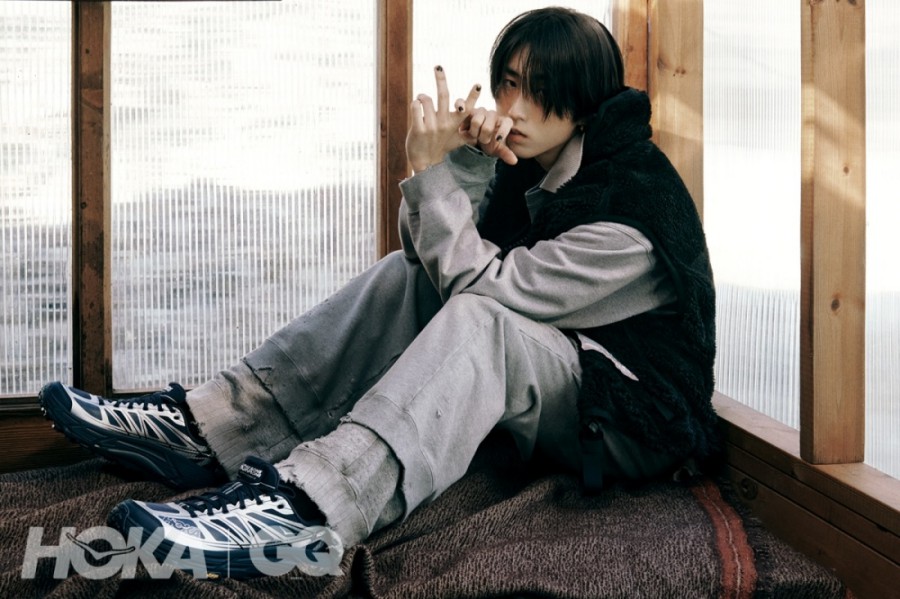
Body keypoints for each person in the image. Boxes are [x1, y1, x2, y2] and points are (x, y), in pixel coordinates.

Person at [40, 6, 720, 580]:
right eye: (509, 82)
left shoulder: (633, 212)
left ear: (586, 100)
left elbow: (484, 288)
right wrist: (464, 163)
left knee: (483, 321)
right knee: (403, 275)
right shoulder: (541, 159)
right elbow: (428, 262)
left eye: (540, 90)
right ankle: (214, 427)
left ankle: (310, 508)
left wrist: (430, 171)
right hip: (562, 373)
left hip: (628, 419)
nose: (513, 107)